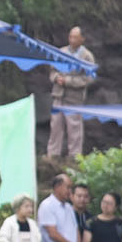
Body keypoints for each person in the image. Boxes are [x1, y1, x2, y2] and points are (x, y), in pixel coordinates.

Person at [47, 27, 96, 157]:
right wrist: (57, 78)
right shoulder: (61, 52)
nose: (72, 40)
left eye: (75, 37)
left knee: (74, 129)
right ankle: (52, 156)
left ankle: (74, 157)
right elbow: (52, 71)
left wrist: (68, 81)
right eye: (70, 37)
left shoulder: (87, 56)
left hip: (74, 99)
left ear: (82, 39)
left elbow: (89, 78)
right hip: (58, 95)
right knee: (55, 127)